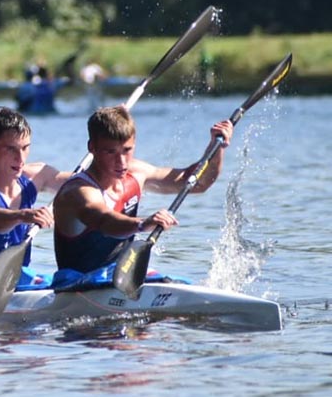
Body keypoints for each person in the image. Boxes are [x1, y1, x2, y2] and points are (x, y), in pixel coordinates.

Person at [52, 105, 233, 274]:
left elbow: (197, 183)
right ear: (92, 148)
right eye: (110, 152)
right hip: (78, 284)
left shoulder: (136, 172)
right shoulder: (78, 192)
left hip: (121, 275)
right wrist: (143, 224)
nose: (121, 162)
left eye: (127, 150)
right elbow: (105, 221)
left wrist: (217, 147)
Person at [0, 107, 73, 288]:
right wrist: (22, 216)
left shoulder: (36, 175)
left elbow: (87, 183)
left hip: (19, 283)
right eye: (11, 149)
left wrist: (109, 132)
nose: (20, 158)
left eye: (25, 148)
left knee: (70, 276)